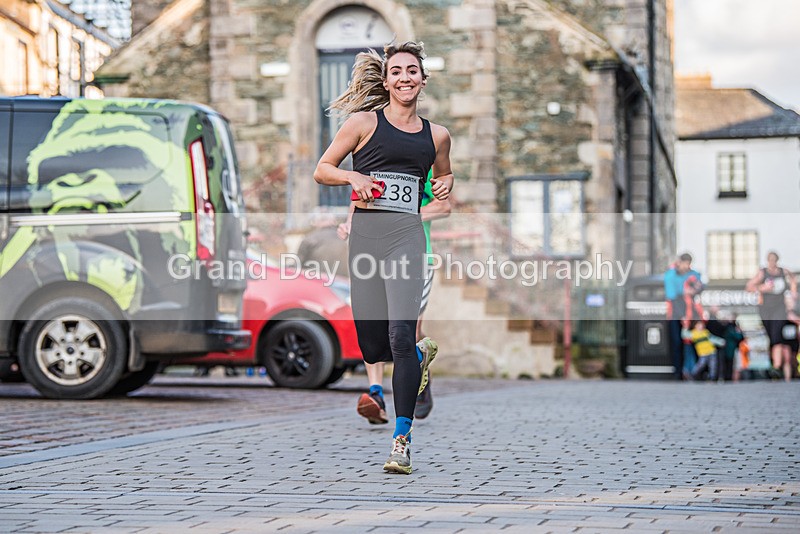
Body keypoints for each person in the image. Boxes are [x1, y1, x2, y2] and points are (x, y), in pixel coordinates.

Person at [314, 42, 454, 474]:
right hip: (367, 242)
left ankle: (402, 440)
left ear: (423, 80)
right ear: (387, 80)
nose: (405, 78)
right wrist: (352, 176)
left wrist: (445, 186)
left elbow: (445, 176)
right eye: (396, 72)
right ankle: (418, 352)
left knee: (397, 339)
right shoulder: (362, 124)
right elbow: (323, 168)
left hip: (407, 240)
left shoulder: (437, 136)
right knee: (373, 345)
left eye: (412, 71)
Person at [339, 173, 451, 425]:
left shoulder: (423, 164)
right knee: (375, 325)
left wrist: (406, 218)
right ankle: (376, 394)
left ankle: (420, 365)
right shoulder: (374, 163)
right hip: (373, 255)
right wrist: (349, 224)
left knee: (407, 332)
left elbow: (444, 205)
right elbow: (359, 200)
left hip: (415, 257)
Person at [746, 251, 797, 382]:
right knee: (771, 336)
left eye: (774, 260)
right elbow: (749, 286)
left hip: (779, 308)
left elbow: (793, 280)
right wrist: (763, 288)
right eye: (770, 260)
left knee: (776, 336)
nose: (772, 263)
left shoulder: (783, 272)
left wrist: (793, 292)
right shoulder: (763, 273)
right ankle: (773, 363)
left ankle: (777, 366)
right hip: (765, 309)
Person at [664, 253, 703, 380]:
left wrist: (696, 288)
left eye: (688, 264)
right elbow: (672, 296)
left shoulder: (692, 274)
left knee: (696, 341)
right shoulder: (670, 275)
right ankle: (678, 372)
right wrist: (682, 316)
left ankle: (699, 372)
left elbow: (700, 285)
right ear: (679, 262)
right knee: (677, 343)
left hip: (691, 312)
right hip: (675, 313)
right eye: (684, 263)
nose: (686, 266)